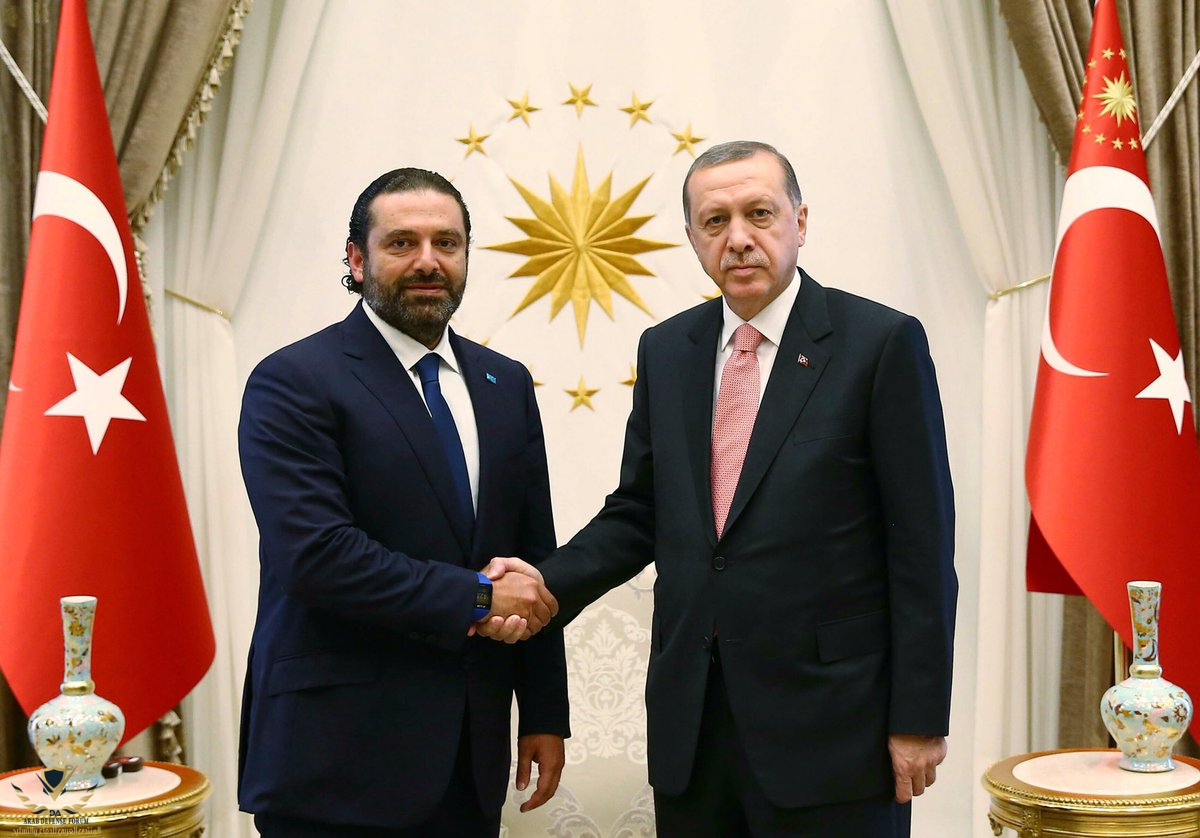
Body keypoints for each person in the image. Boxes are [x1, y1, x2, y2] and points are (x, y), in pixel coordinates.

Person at [480, 141, 957, 837]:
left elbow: (921, 545)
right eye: (714, 221)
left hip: (835, 730)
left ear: (799, 221)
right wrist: (544, 584)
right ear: (692, 238)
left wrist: (919, 718)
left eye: (759, 214)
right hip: (695, 728)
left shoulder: (880, 343)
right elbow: (640, 511)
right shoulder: (668, 350)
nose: (738, 238)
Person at [237, 168, 569, 836]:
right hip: (334, 762)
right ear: (357, 260)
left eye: (447, 243)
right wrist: (478, 597)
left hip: (468, 758)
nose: (427, 261)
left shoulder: (505, 383)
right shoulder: (293, 380)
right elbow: (318, 556)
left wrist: (542, 712)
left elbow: (532, 555)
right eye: (401, 243)